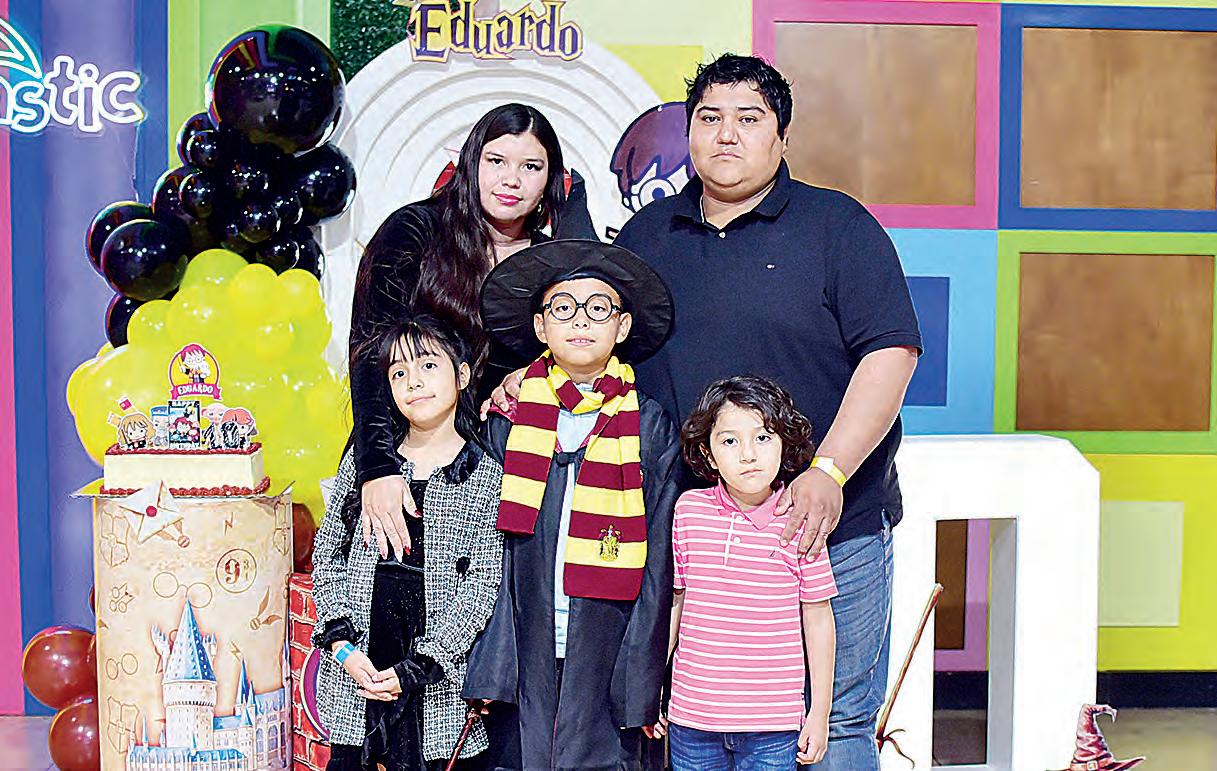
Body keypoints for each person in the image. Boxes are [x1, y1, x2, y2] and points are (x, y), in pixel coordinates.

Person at [489, 54, 921, 769]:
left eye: (749, 118)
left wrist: (830, 471)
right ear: (688, 132)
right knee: (685, 720)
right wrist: (527, 380)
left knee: (835, 720)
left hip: (824, 525)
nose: (727, 134)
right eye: (709, 117)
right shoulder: (646, 237)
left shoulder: (837, 225)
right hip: (691, 536)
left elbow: (891, 352)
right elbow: (600, 355)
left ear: (781, 134)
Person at [463, 240, 681, 770]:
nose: (580, 320)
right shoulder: (509, 421)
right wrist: (492, 663)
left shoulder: (647, 425)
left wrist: (642, 679)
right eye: (563, 307)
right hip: (526, 642)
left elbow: (659, 565)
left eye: (598, 308)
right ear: (541, 327)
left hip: (608, 641)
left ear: (622, 327)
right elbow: (486, 551)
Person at [352, 103, 589, 564]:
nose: (511, 180)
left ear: (550, 179)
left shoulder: (553, 263)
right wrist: (377, 468)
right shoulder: (415, 231)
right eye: (496, 161)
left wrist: (532, 374)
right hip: (403, 459)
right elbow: (370, 350)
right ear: (471, 162)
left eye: (531, 167)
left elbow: (583, 356)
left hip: (502, 475)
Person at [312, 314, 505, 771]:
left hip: (434, 688)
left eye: (428, 366)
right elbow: (328, 555)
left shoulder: (484, 475)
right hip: (356, 676)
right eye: (398, 373)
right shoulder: (366, 468)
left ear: (462, 374)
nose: (413, 381)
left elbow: (482, 585)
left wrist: (421, 664)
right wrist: (342, 647)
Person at [654, 375, 837, 769]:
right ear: (708, 453)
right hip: (692, 719)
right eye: (730, 441)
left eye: (763, 437)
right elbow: (675, 605)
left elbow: (818, 616)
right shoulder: (689, 511)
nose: (748, 455)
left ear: (784, 442)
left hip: (773, 726)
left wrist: (820, 712)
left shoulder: (799, 517)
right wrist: (650, 690)